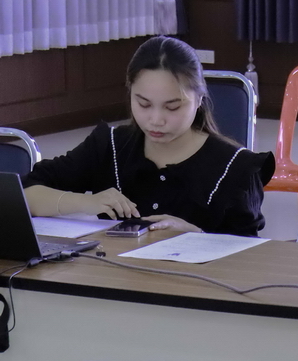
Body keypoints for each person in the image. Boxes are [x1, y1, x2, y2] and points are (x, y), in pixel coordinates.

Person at [23, 36, 275, 236]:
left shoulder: (236, 168)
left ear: (199, 99)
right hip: (113, 279)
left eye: (172, 107)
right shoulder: (110, 146)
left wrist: (197, 236)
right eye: (143, 104)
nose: (156, 120)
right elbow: (26, 193)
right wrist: (86, 203)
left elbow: (248, 258)